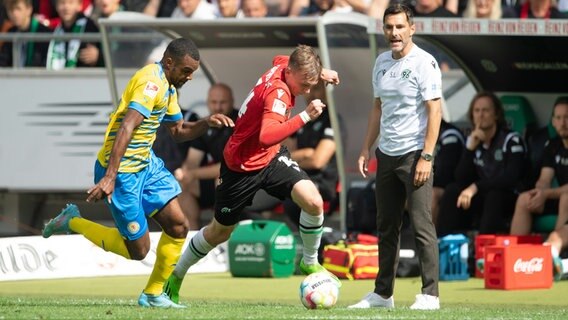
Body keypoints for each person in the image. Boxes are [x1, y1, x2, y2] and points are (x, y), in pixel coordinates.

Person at [41, 38, 234, 308]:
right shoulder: (150, 83)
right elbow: (126, 128)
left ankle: (153, 294)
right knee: (139, 250)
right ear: (169, 63)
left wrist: (205, 122)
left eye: (193, 72)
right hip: (122, 173)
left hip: (146, 164)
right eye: (186, 71)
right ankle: (72, 221)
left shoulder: (168, 87)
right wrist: (109, 176)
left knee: (178, 226)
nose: (190, 78)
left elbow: (179, 132)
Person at [162, 44, 341, 304]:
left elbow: (281, 57)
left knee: (313, 201)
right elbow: (267, 135)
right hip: (240, 167)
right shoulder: (278, 94)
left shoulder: (284, 66)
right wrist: (305, 116)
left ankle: (310, 263)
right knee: (218, 232)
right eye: (305, 84)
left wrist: (321, 72)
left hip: (270, 158)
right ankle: (175, 276)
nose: (307, 91)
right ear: (291, 73)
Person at [349, 4, 442, 311]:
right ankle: (383, 294)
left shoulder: (425, 63)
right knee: (386, 226)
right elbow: (378, 107)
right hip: (386, 155)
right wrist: (365, 148)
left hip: (415, 154)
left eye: (400, 27)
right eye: (389, 27)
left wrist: (427, 156)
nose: (394, 33)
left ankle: (430, 295)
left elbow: (435, 110)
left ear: (411, 28)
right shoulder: (380, 62)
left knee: (421, 223)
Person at [436, 92, 527, 237]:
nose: (481, 115)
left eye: (486, 110)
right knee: (453, 190)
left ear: (496, 114)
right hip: (482, 195)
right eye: (476, 111)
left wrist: (476, 187)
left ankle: (483, 248)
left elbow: (511, 177)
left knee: (494, 196)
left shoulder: (511, 140)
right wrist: (469, 150)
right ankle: (444, 243)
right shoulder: (473, 141)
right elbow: (460, 178)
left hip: (508, 196)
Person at [175, 83, 238, 229]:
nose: (218, 107)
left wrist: (192, 173)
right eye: (214, 102)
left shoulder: (240, 123)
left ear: (232, 101)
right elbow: (192, 160)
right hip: (215, 181)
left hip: (241, 181)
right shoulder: (206, 124)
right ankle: (193, 236)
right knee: (181, 186)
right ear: (207, 102)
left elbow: (230, 166)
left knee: (222, 180)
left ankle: (219, 233)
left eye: (223, 102)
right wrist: (184, 174)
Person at [509, 97, 568, 236]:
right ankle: (516, 252)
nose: (562, 123)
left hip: (565, 199)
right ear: (553, 122)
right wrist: (539, 192)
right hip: (558, 196)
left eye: (567, 117)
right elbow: (545, 178)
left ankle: (557, 252)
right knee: (525, 198)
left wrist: (546, 194)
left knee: (566, 198)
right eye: (558, 118)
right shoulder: (553, 145)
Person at [46, 0, 103, 69]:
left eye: (71, 2)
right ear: (56, 7)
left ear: (79, 5)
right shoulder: (55, 31)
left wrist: (99, 57)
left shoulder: (90, 27)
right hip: (58, 78)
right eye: (62, 3)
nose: (66, 7)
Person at [431, 119, 465, 225]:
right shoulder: (415, 134)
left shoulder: (450, 135)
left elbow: (445, 174)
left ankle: (428, 240)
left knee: (430, 195)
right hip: (429, 183)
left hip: (451, 186)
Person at [0, 0, 52, 67]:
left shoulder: (44, 32)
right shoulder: (11, 32)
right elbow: (3, 60)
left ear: (29, 9)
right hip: (15, 76)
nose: (14, 13)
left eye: (18, 8)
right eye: (10, 9)